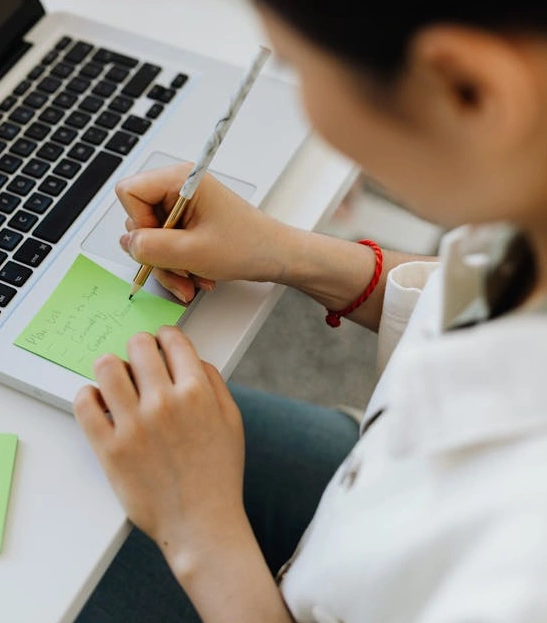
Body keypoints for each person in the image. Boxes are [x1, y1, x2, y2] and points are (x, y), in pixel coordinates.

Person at [72, 1, 547, 622]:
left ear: (470, 91)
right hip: (364, 487)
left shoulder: (522, 567)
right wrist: (284, 252)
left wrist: (198, 530)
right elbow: (480, 286)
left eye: (296, 67)